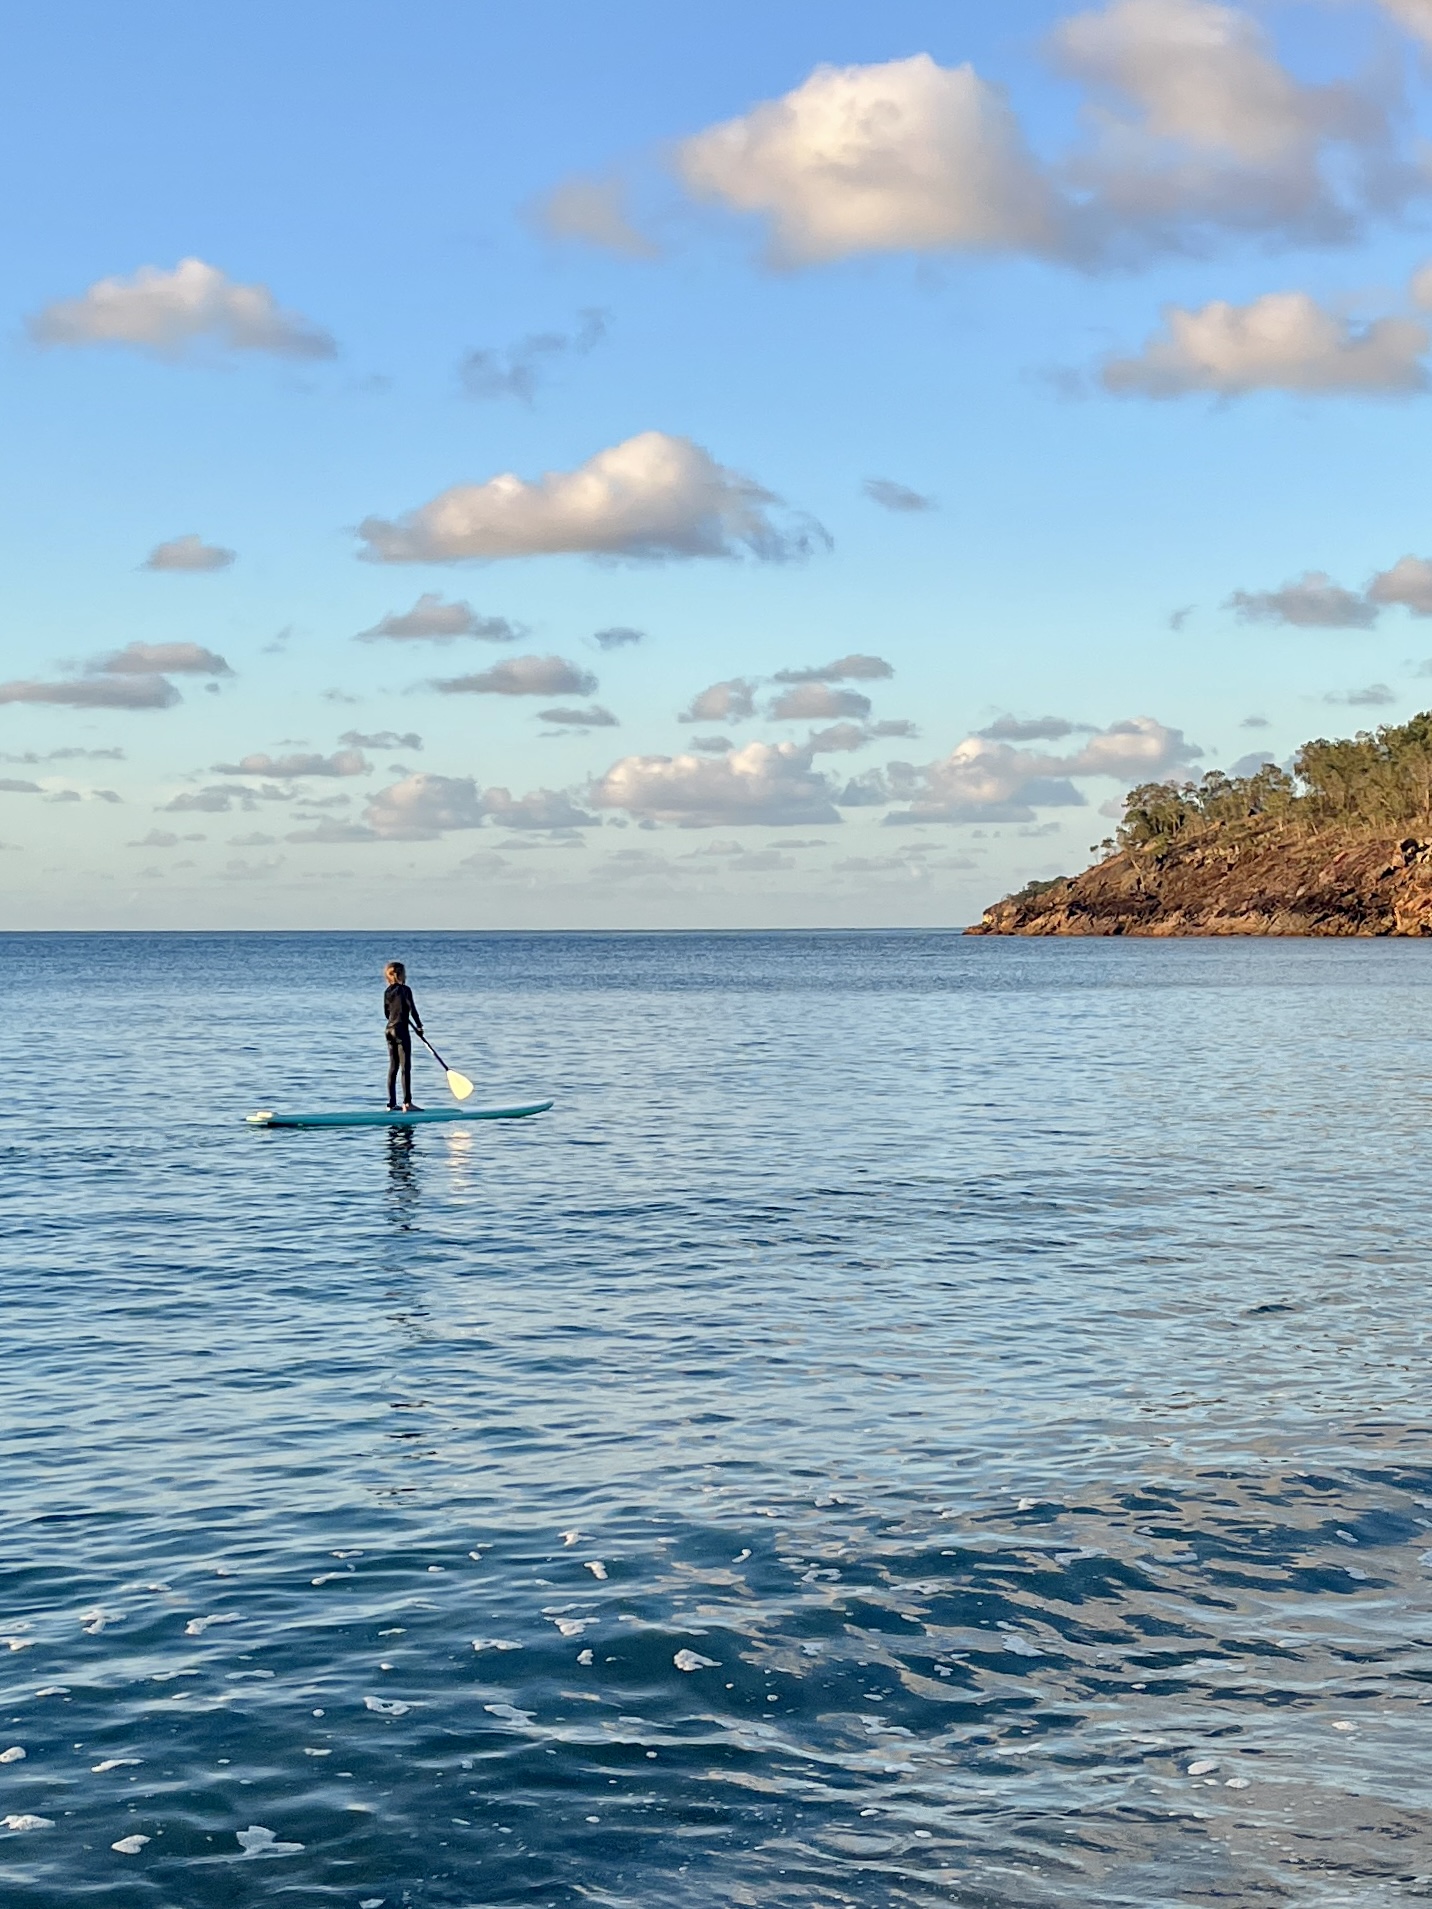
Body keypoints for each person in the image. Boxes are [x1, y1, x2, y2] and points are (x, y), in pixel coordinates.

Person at [383, 961, 424, 1111]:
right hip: (401, 1030)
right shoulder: (406, 990)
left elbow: (387, 1013)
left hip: (389, 1030)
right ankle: (407, 1103)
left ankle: (391, 1104)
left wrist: (398, 1015)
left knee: (393, 1067)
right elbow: (412, 1010)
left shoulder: (387, 992)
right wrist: (419, 1026)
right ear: (401, 975)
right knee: (405, 1067)